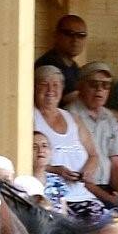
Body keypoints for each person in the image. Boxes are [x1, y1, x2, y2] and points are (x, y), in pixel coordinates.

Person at [31, 64, 98, 208]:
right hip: (53, 197)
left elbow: (94, 155)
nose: (50, 90)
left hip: (83, 194)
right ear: (34, 88)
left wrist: (86, 172)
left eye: (56, 85)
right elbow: (25, 160)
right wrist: (56, 170)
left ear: (62, 88)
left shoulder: (73, 119)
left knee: (117, 223)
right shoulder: (30, 119)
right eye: (44, 84)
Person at [66, 62, 118, 206]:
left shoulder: (110, 118)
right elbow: (78, 175)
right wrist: (110, 199)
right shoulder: (69, 116)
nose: (100, 89)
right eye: (94, 84)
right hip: (79, 191)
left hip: (106, 189)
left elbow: (116, 165)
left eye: (105, 85)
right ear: (80, 86)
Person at [33, 14, 87, 104]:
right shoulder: (48, 64)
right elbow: (76, 101)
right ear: (56, 35)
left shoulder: (74, 67)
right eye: (69, 34)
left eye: (81, 35)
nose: (75, 39)